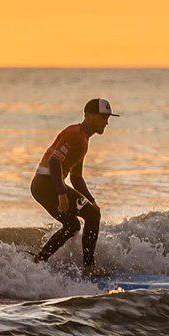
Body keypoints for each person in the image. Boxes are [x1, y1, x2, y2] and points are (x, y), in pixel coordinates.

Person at [31, 98, 120, 276]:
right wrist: (61, 194)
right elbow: (54, 161)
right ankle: (88, 267)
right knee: (92, 217)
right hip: (46, 183)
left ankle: (39, 261)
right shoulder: (74, 134)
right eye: (103, 117)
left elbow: (76, 177)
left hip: (47, 185)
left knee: (73, 225)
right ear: (89, 116)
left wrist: (92, 200)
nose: (107, 122)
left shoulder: (83, 140)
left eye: (108, 117)